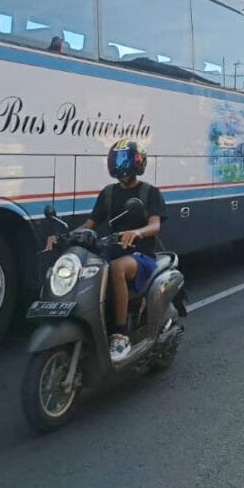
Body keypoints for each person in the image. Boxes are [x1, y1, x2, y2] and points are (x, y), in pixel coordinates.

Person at [75, 139, 167, 363]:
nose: (121, 164)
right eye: (117, 159)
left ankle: (120, 333)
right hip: (111, 250)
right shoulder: (108, 193)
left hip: (140, 255)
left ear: (138, 162)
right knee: (84, 267)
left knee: (117, 268)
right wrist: (67, 236)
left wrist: (136, 233)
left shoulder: (149, 192)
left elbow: (155, 225)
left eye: (125, 159)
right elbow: (90, 223)